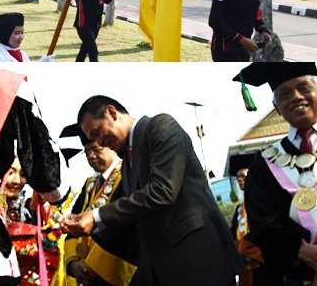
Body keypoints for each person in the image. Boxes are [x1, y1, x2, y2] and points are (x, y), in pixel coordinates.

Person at [62, 95, 239, 285]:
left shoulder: (161, 126)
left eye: (97, 133)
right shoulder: (127, 163)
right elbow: (135, 220)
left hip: (200, 261)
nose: (100, 142)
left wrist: (96, 216)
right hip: (165, 271)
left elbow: (162, 191)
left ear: (112, 112)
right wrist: (88, 228)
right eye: (92, 139)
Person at [237, 62, 317, 285]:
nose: (296, 97)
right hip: (294, 275)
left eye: (304, 88)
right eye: (285, 94)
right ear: (277, 108)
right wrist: (303, 250)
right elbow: (262, 222)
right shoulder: (265, 161)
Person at [59, 124, 135, 286]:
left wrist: (93, 266)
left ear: (110, 147)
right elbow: (74, 222)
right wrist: (73, 263)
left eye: (96, 150)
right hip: (86, 272)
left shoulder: (128, 176)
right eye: (87, 152)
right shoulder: (89, 184)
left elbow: (126, 224)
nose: (91, 156)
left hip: (114, 268)